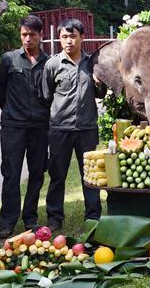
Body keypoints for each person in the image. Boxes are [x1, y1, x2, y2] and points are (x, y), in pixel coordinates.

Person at [42, 19, 106, 232]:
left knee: (90, 174)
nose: (68, 41)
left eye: (73, 36)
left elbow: (101, 93)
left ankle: (93, 216)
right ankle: (54, 217)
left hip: (87, 128)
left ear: (82, 38)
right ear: (59, 39)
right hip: (60, 128)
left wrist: (99, 84)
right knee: (57, 174)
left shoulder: (92, 64)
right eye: (64, 37)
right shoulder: (52, 64)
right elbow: (46, 95)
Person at [0, 15, 50, 239]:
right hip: (13, 127)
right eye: (24, 35)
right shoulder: (9, 60)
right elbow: (1, 93)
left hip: (40, 126)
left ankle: (30, 219)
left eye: (32, 35)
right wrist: (11, 112)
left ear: (40, 36)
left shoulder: (49, 62)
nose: (27, 39)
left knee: (37, 174)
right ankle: (7, 222)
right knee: (11, 174)